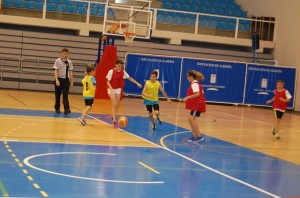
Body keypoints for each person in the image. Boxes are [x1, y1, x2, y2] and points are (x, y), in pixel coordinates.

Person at [106, 59, 142, 128]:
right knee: (114, 104)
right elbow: (108, 82)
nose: (120, 67)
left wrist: (137, 83)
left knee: (117, 105)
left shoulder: (123, 72)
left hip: (118, 89)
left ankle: (112, 115)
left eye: (121, 66)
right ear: (115, 65)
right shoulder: (111, 71)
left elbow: (130, 78)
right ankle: (114, 121)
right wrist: (111, 89)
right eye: (118, 66)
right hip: (111, 89)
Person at [182, 70, 206, 142]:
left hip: (198, 104)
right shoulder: (195, 84)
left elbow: (197, 94)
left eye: (187, 76)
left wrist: (187, 97)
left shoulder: (195, 84)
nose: (187, 77)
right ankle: (194, 135)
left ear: (191, 77)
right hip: (197, 104)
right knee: (190, 119)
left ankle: (199, 136)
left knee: (192, 119)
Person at [53, 48, 74, 114]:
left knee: (65, 95)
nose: (66, 55)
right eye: (64, 53)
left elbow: (70, 72)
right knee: (58, 94)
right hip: (59, 79)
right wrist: (56, 80)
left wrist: (72, 81)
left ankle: (66, 109)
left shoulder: (69, 62)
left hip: (66, 80)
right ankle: (57, 108)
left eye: (67, 54)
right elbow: (55, 71)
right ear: (61, 53)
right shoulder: (57, 61)